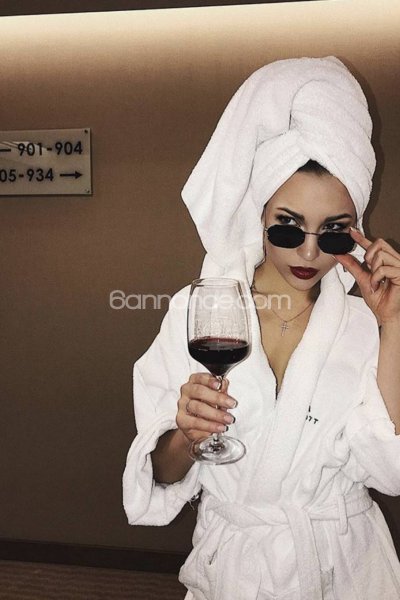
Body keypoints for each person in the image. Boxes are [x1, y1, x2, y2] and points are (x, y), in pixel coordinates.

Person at [122, 56, 400, 599]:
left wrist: (392, 324)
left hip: (344, 571)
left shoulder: (370, 324)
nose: (310, 253)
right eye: (288, 228)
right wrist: (187, 436)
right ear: (260, 215)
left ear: (356, 231)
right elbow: (160, 474)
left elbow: (391, 473)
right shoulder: (197, 311)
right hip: (236, 571)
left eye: (334, 232)